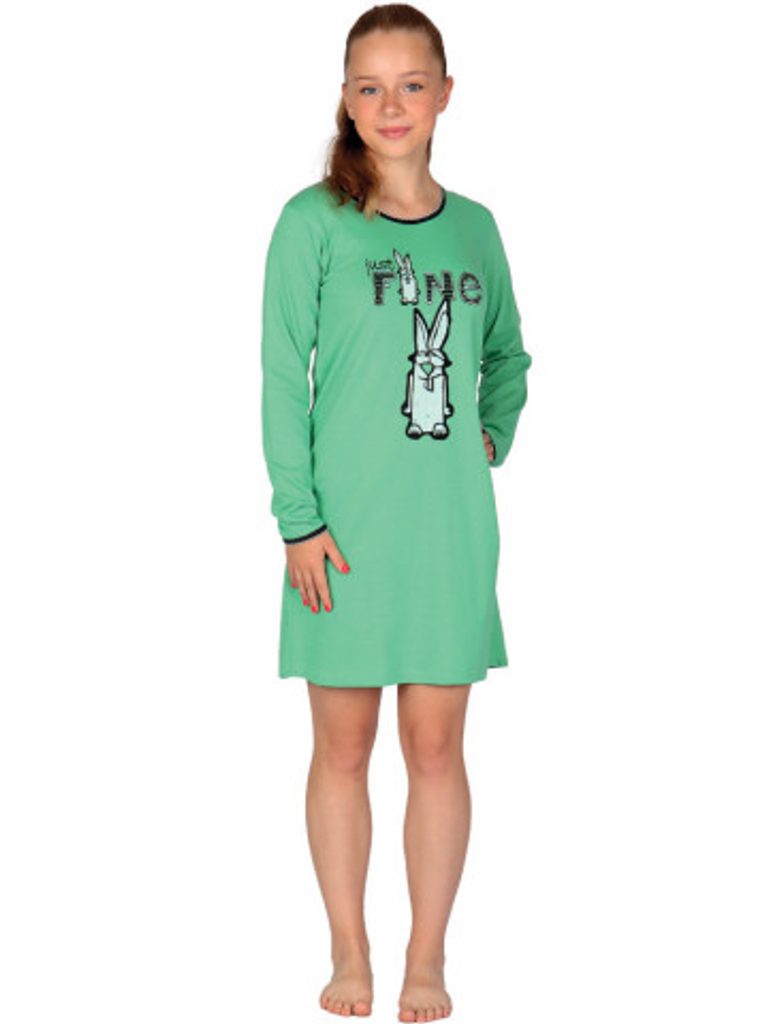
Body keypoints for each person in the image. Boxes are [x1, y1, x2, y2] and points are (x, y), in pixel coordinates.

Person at [260, 4, 532, 1019]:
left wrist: (492, 431)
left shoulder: (477, 230)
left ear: (445, 94)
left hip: (447, 535)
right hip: (341, 536)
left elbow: (508, 354)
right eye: (369, 87)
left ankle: (427, 957)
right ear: (345, 98)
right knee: (341, 748)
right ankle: (348, 948)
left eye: (411, 84)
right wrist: (298, 519)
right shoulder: (311, 224)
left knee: (435, 748)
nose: (391, 105)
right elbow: (281, 378)